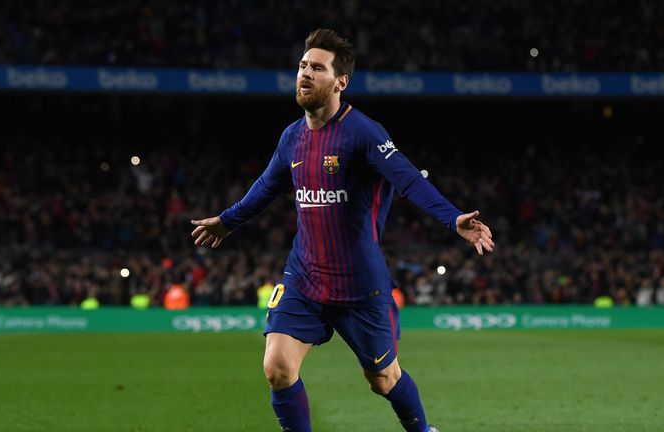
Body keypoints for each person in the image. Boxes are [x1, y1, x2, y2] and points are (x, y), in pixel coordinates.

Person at [190, 28, 494, 432]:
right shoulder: (292, 137)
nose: (305, 74)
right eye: (302, 66)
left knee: (383, 380)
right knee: (277, 366)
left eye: (317, 68)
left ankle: (422, 430)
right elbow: (267, 187)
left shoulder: (364, 132)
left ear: (340, 82)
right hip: (305, 279)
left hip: (360, 287)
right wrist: (229, 221)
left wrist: (452, 218)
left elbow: (407, 179)